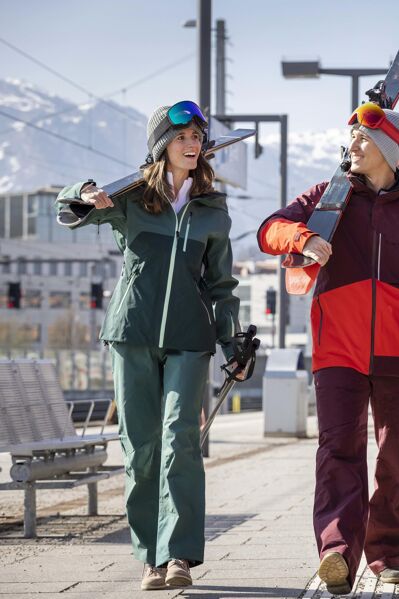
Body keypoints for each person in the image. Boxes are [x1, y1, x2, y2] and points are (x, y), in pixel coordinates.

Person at [256, 103, 399, 595]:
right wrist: (303, 238)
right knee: (338, 452)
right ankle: (336, 552)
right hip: (337, 352)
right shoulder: (326, 199)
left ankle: (387, 554)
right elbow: (269, 230)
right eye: (351, 138)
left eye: (362, 140)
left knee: (397, 456)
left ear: (388, 152)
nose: (352, 147)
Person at [55, 101, 242, 591]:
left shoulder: (212, 210)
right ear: (163, 144)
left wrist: (234, 342)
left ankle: (178, 554)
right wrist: (85, 192)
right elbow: (65, 209)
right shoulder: (133, 200)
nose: (192, 144)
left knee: (180, 440)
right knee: (140, 450)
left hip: (190, 338)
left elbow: (221, 284)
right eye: (182, 137)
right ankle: (150, 558)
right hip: (132, 333)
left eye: (198, 137)